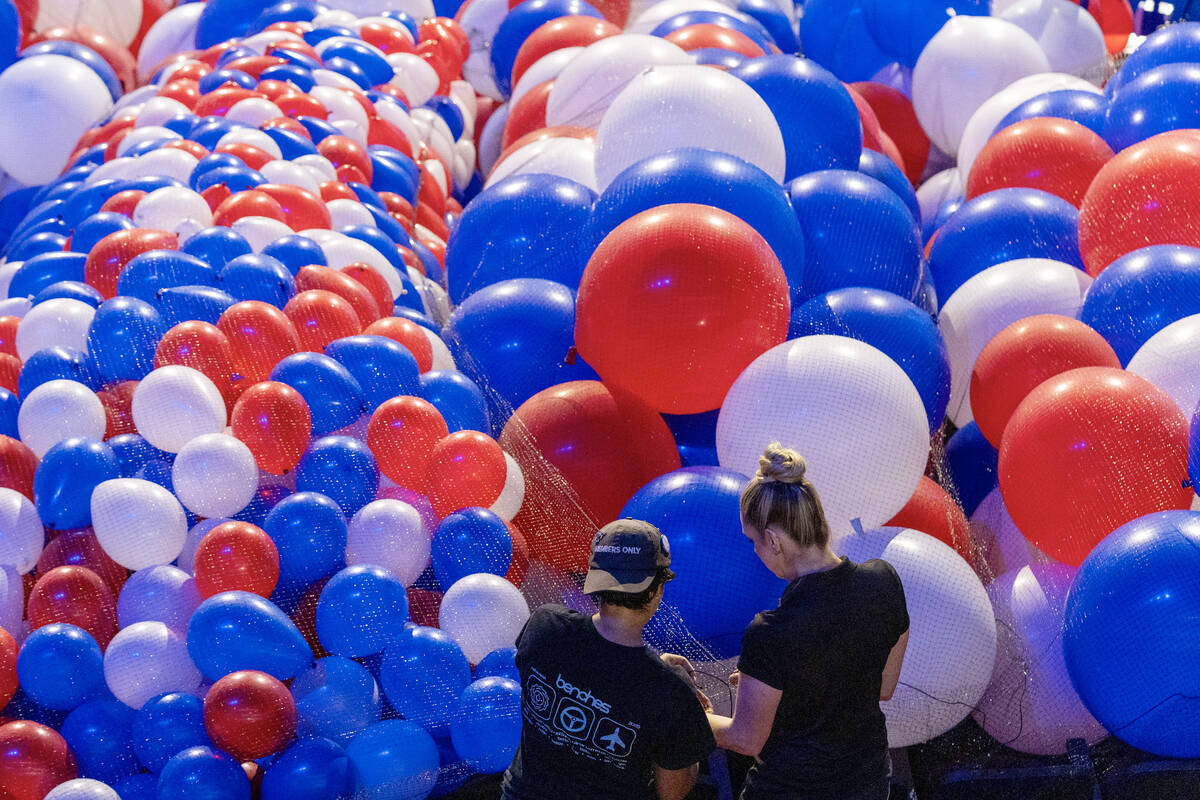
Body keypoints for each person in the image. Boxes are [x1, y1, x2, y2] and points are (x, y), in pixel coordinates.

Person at [704, 443, 910, 800]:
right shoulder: (884, 580)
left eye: (753, 541)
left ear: (773, 539)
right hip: (868, 784)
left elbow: (745, 738)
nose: (755, 552)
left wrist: (694, 714)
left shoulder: (770, 632)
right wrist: (780, 687)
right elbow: (881, 686)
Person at [501, 518, 717, 800]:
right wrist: (696, 724)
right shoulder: (671, 691)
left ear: (596, 578)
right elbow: (672, 792)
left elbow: (597, 667)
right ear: (657, 592)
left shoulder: (545, 626)